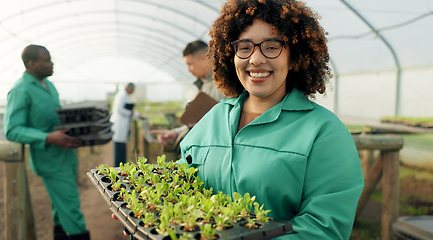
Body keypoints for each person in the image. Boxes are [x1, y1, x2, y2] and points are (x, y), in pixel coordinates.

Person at [176, 0, 365, 239]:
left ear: (294, 56)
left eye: (271, 46)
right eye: (244, 47)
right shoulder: (214, 118)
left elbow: (323, 229)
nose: (255, 59)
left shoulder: (324, 133)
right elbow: (179, 187)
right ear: (230, 54)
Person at [4, 45, 90, 240]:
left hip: (65, 155)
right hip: (50, 161)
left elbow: (52, 118)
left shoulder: (48, 85)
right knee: (71, 208)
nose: (52, 64)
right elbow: (12, 130)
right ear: (31, 63)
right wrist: (49, 137)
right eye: (47, 60)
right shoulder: (21, 90)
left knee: (60, 209)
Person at [151, 40, 226, 146]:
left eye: (190, 64)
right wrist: (176, 133)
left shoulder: (226, 85)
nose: (188, 70)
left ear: (203, 58)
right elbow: (196, 123)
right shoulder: (201, 86)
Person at [110, 82, 139, 166]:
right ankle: (118, 168)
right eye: (132, 90)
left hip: (122, 124)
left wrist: (134, 113)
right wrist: (131, 113)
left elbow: (127, 109)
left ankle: (121, 166)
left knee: (121, 148)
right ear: (129, 89)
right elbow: (119, 109)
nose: (133, 91)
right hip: (119, 125)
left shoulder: (124, 95)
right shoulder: (122, 95)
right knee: (119, 148)